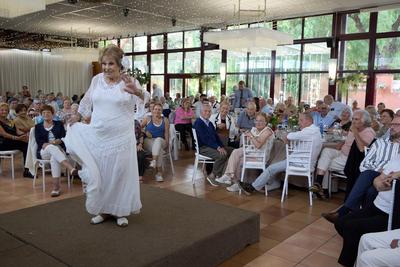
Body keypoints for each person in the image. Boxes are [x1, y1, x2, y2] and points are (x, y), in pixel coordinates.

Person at [63, 45, 143, 227]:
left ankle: (120, 211)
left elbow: (145, 101)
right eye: (104, 63)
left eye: (110, 64)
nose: (106, 67)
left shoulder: (129, 81)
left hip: (122, 137)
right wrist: (78, 116)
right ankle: (103, 209)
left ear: (119, 64)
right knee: (102, 173)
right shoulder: (97, 80)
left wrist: (136, 91)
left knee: (119, 174)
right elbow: (86, 102)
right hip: (99, 135)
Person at [334, 156, 400, 266]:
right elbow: (378, 179)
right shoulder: (397, 159)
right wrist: (380, 184)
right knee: (340, 222)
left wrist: (397, 175)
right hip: (376, 206)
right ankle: (357, 252)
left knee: (352, 227)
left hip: (390, 215)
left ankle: (348, 262)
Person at [239, 112, 322, 195]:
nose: (298, 123)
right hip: (308, 163)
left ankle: (252, 188)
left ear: (308, 121)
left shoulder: (308, 131)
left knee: (270, 168)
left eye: (301, 120)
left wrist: (286, 137)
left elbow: (288, 136)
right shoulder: (316, 131)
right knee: (275, 165)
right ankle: (266, 184)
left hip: (297, 163)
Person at [310, 110, 375, 198]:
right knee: (326, 151)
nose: (353, 121)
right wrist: (343, 142)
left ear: (364, 121)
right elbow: (349, 140)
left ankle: (321, 188)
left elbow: (362, 149)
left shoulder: (368, 132)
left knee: (323, 164)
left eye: (356, 119)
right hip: (342, 152)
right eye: (353, 119)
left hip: (351, 159)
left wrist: (355, 132)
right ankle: (318, 184)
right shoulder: (355, 127)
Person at [216, 113, 274, 192]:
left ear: (265, 122)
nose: (258, 123)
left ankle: (235, 181)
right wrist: (247, 138)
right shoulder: (255, 130)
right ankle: (228, 175)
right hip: (252, 153)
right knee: (236, 151)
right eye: (256, 121)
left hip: (260, 157)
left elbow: (258, 145)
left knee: (240, 160)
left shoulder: (268, 131)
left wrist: (251, 136)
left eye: (261, 121)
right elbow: (250, 144)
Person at [35, 105, 77, 197]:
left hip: (58, 150)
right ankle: (70, 168)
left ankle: (56, 188)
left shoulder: (59, 124)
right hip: (44, 151)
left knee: (54, 158)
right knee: (51, 147)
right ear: (41, 115)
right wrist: (52, 143)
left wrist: (58, 141)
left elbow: (63, 137)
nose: (46, 114)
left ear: (52, 114)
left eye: (48, 112)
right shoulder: (37, 127)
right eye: (44, 113)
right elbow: (40, 143)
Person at [194, 103, 231, 186]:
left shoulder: (209, 123)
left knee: (233, 151)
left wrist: (221, 146)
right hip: (203, 148)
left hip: (211, 146)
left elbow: (216, 138)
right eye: (205, 111)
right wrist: (218, 147)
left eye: (209, 111)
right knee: (222, 155)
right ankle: (212, 175)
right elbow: (205, 140)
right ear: (201, 112)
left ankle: (224, 175)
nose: (208, 113)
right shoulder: (198, 123)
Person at [0, 103, 31, 177]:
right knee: (26, 144)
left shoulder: (10, 121)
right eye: (2, 110)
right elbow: (4, 134)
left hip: (13, 141)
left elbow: (18, 131)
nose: (4, 111)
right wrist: (18, 138)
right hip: (2, 143)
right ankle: (27, 170)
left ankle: (28, 169)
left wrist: (25, 135)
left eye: (6, 110)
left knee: (29, 143)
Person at [142, 103, 170, 182]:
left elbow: (167, 133)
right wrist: (145, 131)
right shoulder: (147, 118)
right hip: (149, 141)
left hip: (161, 141)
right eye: (155, 109)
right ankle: (159, 174)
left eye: (159, 109)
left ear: (161, 111)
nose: (157, 111)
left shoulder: (165, 120)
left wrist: (167, 144)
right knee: (159, 150)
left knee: (158, 140)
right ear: (152, 110)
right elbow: (138, 128)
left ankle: (154, 161)